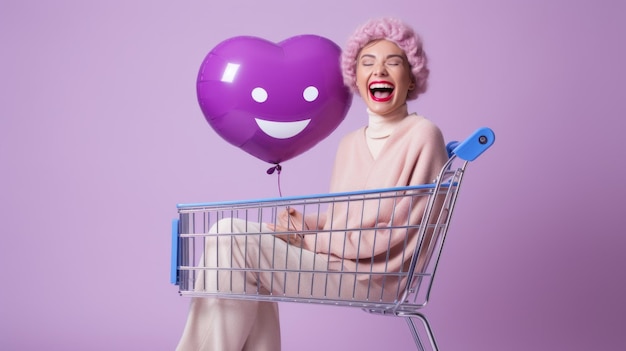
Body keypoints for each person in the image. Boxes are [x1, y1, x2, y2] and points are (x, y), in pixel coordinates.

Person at [175, 17, 449, 351]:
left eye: (393, 63)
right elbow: (346, 220)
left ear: (411, 79)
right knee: (235, 249)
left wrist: (309, 240)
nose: (379, 71)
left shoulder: (423, 136)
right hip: (337, 264)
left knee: (230, 236)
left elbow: (399, 228)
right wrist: (304, 226)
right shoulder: (350, 143)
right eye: (368, 63)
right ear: (356, 79)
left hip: (375, 278)